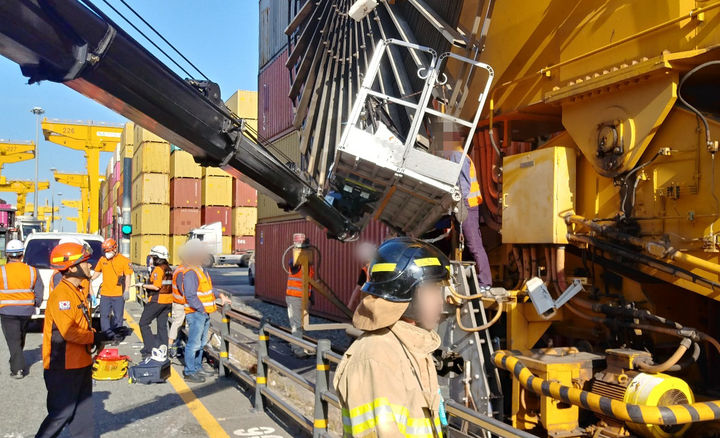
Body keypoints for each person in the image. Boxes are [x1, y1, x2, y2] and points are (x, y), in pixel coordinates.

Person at [333, 237, 449, 437]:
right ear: (405, 294)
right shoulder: (377, 358)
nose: (440, 302)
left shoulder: (411, 346)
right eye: (431, 291)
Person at [36, 241, 131, 438]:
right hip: (63, 366)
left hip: (80, 363)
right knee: (61, 415)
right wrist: (97, 336)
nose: (90, 265)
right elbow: (69, 332)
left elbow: (82, 325)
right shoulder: (62, 295)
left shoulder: (77, 291)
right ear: (71, 267)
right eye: (85, 262)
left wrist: (102, 337)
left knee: (83, 417)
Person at [182, 239, 230, 382]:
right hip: (197, 313)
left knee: (201, 344)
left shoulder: (202, 270)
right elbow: (190, 295)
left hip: (203, 313)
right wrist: (201, 309)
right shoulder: (191, 272)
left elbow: (209, 289)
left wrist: (221, 295)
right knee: (194, 344)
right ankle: (189, 371)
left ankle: (197, 367)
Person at [448, 146, 491, 289]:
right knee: (471, 245)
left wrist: (460, 205)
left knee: (474, 245)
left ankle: (485, 282)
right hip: (467, 204)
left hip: (466, 204)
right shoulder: (459, 154)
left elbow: (463, 186)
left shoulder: (456, 155)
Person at [0, 239, 43, 379]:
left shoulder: (2, 271)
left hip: (7, 311)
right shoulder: (32, 271)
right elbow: (39, 291)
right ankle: (16, 359)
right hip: (26, 310)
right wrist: (36, 303)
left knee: (13, 340)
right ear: (21, 254)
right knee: (20, 337)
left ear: (7, 255)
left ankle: (17, 369)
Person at [139, 245, 172, 359]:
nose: (151, 259)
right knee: (162, 325)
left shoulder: (158, 269)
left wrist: (142, 285)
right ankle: (164, 348)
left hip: (157, 300)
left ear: (157, 257)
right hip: (168, 301)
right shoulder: (168, 268)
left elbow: (156, 286)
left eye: (152, 257)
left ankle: (150, 349)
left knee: (143, 323)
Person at [92, 238, 132, 332]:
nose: (107, 253)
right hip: (105, 293)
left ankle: (117, 336)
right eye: (105, 251)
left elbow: (128, 276)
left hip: (118, 294)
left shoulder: (124, 261)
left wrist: (126, 290)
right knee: (104, 315)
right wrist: (90, 279)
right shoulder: (102, 260)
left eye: (108, 251)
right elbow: (97, 272)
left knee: (118, 316)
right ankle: (107, 334)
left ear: (115, 249)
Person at [285, 239, 315, 357]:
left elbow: (309, 282)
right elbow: (292, 262)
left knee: (301, 325)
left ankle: (296, 345)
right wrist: (299, 251)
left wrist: (311, 296)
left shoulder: (308, 265)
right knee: (297, 325)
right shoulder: (296, 263)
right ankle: (298, 350)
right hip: (294, 298)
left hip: (303, 298)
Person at [347, 242, 376, 310]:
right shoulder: (382, 266)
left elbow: (358, 289)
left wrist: (350, 305)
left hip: (369, 301)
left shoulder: (366, 269)